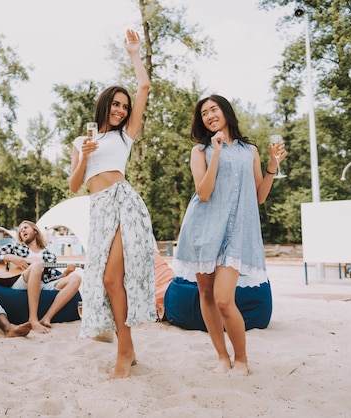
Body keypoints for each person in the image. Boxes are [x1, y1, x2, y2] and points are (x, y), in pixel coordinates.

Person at [171, 94, 287, 376]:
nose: (209, 116)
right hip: (203, 229)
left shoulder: (250, 150)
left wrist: (273, 165)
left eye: (214, 109)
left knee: (224, 298)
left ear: (225, 111)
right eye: (204, 114)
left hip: (237, 233)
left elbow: (258, 197)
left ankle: (243, 360)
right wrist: (217, 153)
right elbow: (204, 192)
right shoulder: (200, 151)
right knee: (206, 294)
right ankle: (223, 357)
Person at [68, 28, 156, 379]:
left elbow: (145, 88)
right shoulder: (82, 140)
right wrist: (83, 158)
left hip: (124, 204)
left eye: (124, 105)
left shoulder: (124, 135)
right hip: (98, 208)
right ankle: (128, 346)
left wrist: (134, 53)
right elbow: (75, 185)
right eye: (116, 104)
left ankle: (125, 348)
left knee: (110, 277)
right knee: (105, 282)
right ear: (104, 105)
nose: (121, 109)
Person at [0, 220, 82, 334]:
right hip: (20, 281)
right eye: (20, 230)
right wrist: (10, 258)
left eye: (26, 227)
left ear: (35, 231)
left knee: (76, 278)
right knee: (36, 266)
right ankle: (33, 319)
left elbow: (52, 279)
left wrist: (66, 273)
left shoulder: (48, 255)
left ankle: (47, 317)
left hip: (42, 284)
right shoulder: (16, 247)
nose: (22, 230)